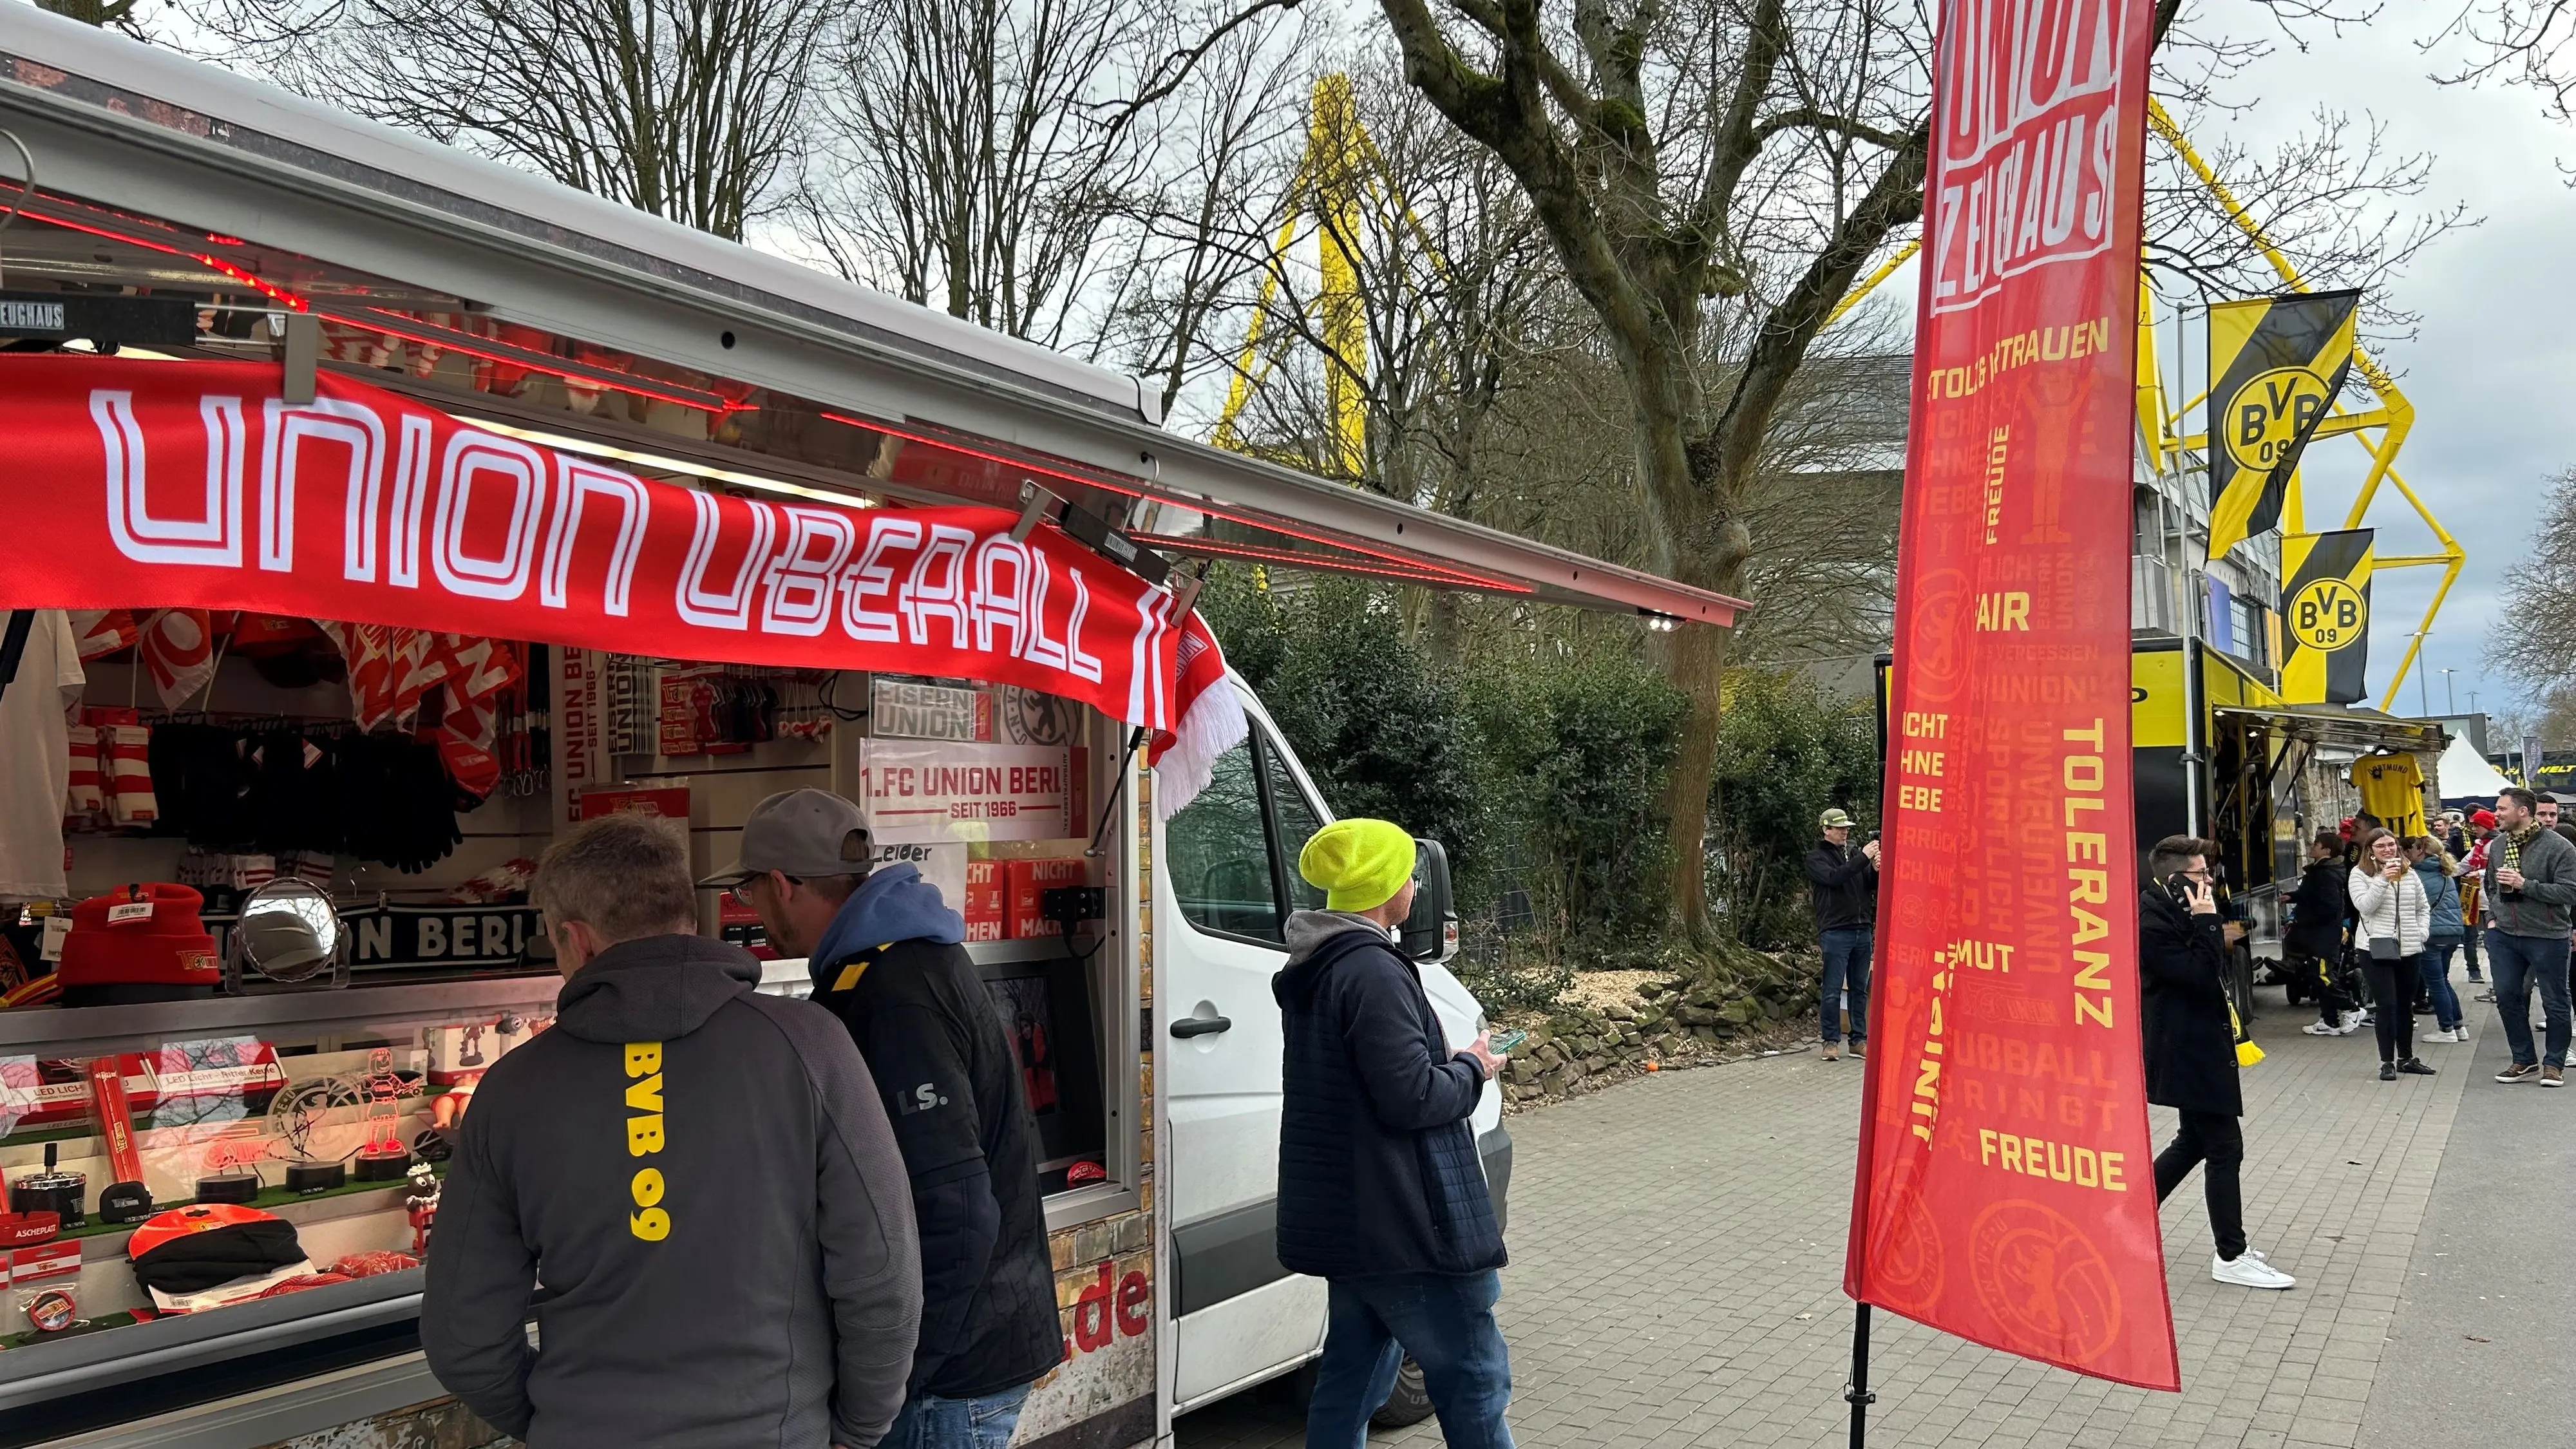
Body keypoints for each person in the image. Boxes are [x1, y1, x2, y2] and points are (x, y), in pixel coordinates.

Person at [423, 813, 923, 1449]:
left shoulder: (510, 1091)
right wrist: (856, 1429)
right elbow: (882, 1275)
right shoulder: (809, 1047)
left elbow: (462, 1340)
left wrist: (564, 1421)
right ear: (687, 916)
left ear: (578, 942)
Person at [711, 789, 1062, 1448]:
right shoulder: (893, 963)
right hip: (955, 1365)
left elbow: (955, 1212)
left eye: (750, 890)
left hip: (944, 1382)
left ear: (783, 885)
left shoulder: (894, 993)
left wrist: (892, 1376)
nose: (749, 909)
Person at [1274, 817, 1513, 1449]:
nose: (1413, 882)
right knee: (1476, 1379)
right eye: (1406, 871)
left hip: (1353, 1219)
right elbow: (1412, 1097)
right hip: (1407, 1222)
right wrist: (1474, 1067)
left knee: (1351, 1380)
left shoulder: (1319, 965)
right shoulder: (1373, 972)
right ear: (1384, 888)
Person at [2141, 835, 2295, 1289]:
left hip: (2202, 1046)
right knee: (2225, 1148)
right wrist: (2208, 923)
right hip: (2185, 1050)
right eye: (2200, 874)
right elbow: (2199, 975)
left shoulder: (2176, 907)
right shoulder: (2152, 919)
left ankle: (2123, 1216)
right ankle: (2230, 1254)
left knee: (2193, 1142)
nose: (2208, 881)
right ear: (2175, 879)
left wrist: (2205, 919)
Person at [2482, 786, 2576, 1086]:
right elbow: (2491, 885)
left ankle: (2554, 1064)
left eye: (2502, 809)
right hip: (2505, 935)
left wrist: (2526, 884)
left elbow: (2570, 891)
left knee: (2555, 1001)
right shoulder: (2498, 846)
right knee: (2508, 997)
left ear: (2523, 811)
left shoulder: (2560, 847)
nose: (2497, 814)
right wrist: (2494, 918)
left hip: (2547, 935)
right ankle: (2523, 1060)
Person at [2349, 828, 2435, 1081]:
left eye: (2391, 845)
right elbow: (2365, 906)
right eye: (2381, 846)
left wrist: (2421, 933)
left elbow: (2423, 908)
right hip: (2376, 947)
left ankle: (2406, 1057)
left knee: (2405, 1006)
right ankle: (2387, 1061)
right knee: (2387, 1005)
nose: (2388, 850)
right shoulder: (2360, 875)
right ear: (2371, 852)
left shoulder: (2411, 875)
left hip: (2409, 947)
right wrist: (2383, 879)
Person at [1805, 808, 1879, 1062]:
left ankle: (1859, 1040)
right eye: (1839, 828)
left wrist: (1875, 871)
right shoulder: (1817, 858)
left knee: (1859, 989)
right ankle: (1830, 1041)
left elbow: (1866, 884)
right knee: (1833, 989)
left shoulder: (1854, 854)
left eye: (1846, 827)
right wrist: (1862, 860)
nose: (1845, 831)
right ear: (1826, 830)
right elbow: (1835, 878)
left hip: (1861, 930)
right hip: (1836, 932)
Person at [2289, 831, 2361, 1037]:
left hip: (2324, 934)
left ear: (2327, 851)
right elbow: (2311, 896)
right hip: (2317, 934)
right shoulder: (2319, 871)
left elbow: (2330, 906)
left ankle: (2351, 1009)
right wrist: (2293, 897)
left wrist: (2305, 919)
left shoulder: (2327, 874)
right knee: (2316, 976)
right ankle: (2329, 1020)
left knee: (2323, 975)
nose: (2312, 846)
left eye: (2317, 844)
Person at [2409, 837, 2467, 1044]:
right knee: (2443, 980)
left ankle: (2447, 1029)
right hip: (2451, 933)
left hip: (2431, 934)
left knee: (2435, 984)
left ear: (2421, 851)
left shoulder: (2417, 876)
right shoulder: (2445, 873)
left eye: (2413, 848)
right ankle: (2458, 1026)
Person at [2461, 809, 2494, 987]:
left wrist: (2479, 873)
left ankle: (2497, 979)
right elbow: (2464, 865)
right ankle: (2473, 971)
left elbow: (2497, 870)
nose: (2473, 828)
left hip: (2489, 902)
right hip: (2472, 899)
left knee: (2492, 942)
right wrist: (2444, 868)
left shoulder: (2497, 844)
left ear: (2487, 825)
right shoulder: (2478, 845)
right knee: (2469, 938)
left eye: (2477, 825)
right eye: (2472, 825)